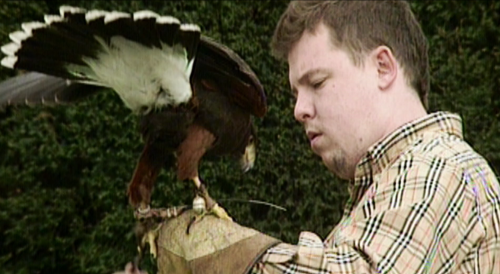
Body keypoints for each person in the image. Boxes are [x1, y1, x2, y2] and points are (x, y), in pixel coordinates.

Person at [118, 1, 500, 273]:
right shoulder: (385, 189)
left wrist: (223, 253)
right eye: (295, 93)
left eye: (316, 82)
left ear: (383, 67)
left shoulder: (443, 170)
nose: (299, 110)